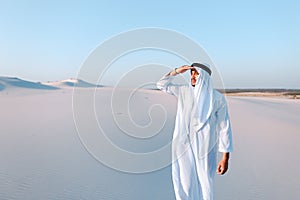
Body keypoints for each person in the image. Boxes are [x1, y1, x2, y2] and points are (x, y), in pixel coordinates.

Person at [157, 63, 233, 200]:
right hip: (182, 145)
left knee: (205, 182)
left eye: (196, 73)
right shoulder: (184, 92)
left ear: (204, 77)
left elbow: (224, 128)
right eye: (191, 73)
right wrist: (177, 71)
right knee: (184, 182)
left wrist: (225, 158)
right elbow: (161, 84)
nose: (192, 76)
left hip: (206, 146)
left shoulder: (217, 98)